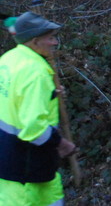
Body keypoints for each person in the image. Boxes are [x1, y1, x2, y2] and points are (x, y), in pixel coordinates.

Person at [1, 12, 79, 205]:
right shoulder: (35, 73)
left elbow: (15, 101)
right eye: (50, 38)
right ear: (35, 41)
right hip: (27, 168)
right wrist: (62, 144)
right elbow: (34, 128)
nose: (55, 43)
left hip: (13, 161)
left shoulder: (8, 60)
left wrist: (48, 94)